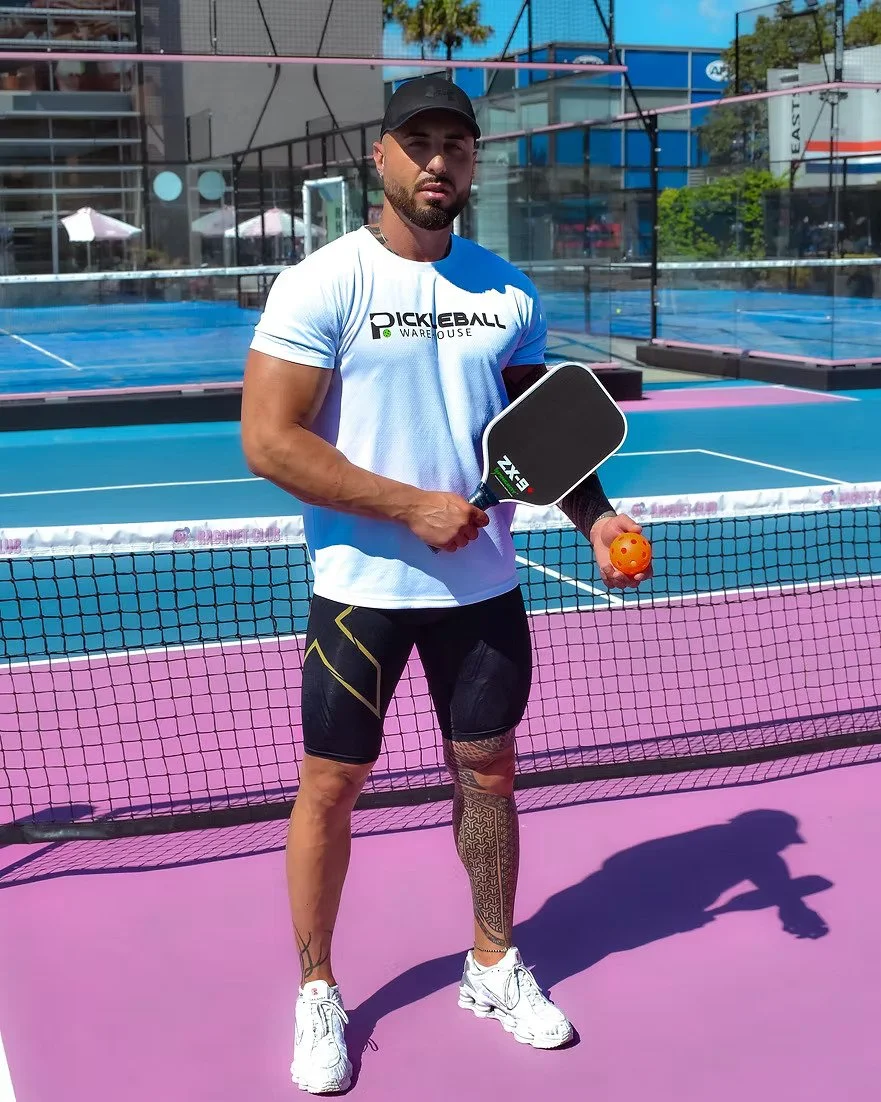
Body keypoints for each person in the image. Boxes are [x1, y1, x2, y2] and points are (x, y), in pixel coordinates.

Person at [241, 75, 651, 1095]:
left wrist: (596, 516)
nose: (437, 161)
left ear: (473, 162)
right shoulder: (321, 283)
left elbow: (541, 435)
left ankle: (490, 962)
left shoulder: (508, 294)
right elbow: (268, 441)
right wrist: (408, 505)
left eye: (455, 146)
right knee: (330, 786)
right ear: (377, 157)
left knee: (490, 776)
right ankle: (317, 989)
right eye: (416, 142)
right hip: (359, 590)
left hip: (481, 592)